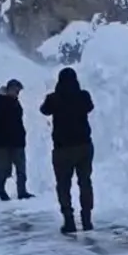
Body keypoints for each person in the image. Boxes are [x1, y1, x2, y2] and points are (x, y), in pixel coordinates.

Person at [40, 67, 95, 233]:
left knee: (63, 185)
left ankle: (69, 220)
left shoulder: (54, 98)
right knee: (85, 182)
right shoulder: (83, 96)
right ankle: (86, 219)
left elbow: (44, 110)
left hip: (62, 149)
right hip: (84, 146)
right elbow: (89, 107)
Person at [0, 79, 34, 201]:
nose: (18, 93)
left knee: (21, 168)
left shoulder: (15, 102)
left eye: (19, 91)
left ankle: (22, 191)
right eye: (16, 91)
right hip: (1, 142)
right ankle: (1, 191)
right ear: (9, 89)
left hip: (17, 141)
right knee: (4, 168)